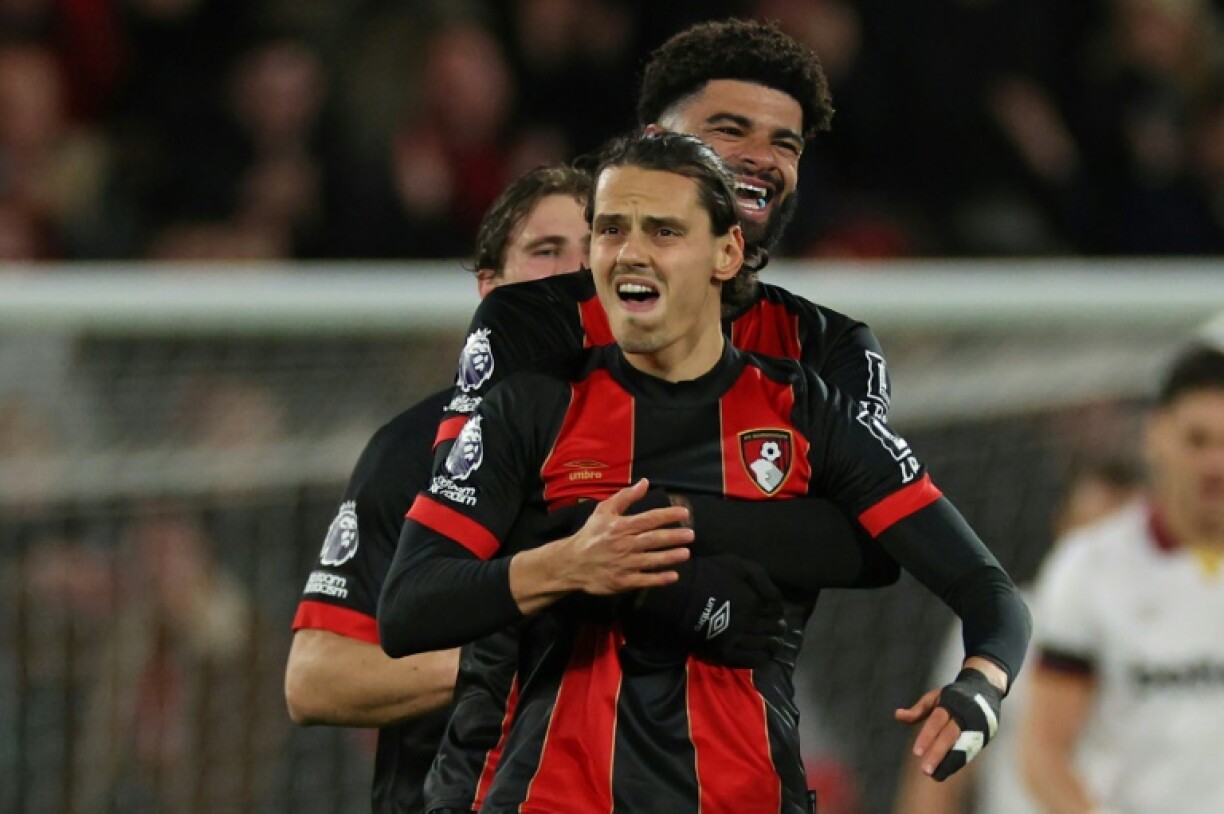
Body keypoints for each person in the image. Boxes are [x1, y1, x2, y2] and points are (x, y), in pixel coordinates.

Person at [380, 131, 1031, 813]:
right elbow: (408, 606)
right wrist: (571, 563)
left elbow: (988, 591)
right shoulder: (531, 407)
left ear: (726, 252)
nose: (629, 252)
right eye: (611, 230)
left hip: (745, 795)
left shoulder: (805, 412)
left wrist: (980, 685)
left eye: (663, 231)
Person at [420, 19, 908, 813]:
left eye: (785, 142)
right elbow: (492, 534)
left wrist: (663, 518)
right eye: (729, 128)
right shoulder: (532, 323)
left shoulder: (828, 347)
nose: (761, 156)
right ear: (654, 140)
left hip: (740, 772)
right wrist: (699, 584)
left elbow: (871, 543)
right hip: (518, 772)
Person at [284, 164, 593, 813]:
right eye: (547, 250)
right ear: (490, 286)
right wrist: (507, 663)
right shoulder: (412, 451)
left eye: (596, 250)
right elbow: (313, 680)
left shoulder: (676, 441)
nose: (576, 271)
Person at [1018, 343, 1224, 814]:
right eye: (1198, 440)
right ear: (1155, 437)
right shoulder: (1089, 568)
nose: (1215, 463)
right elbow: (1043, 752)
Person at [892, 456, 1143, 814]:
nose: (1098, 556)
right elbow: (936, 769)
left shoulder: (1180, 629)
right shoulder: (1000, 625)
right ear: (1062, 527)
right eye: (1089, 534)